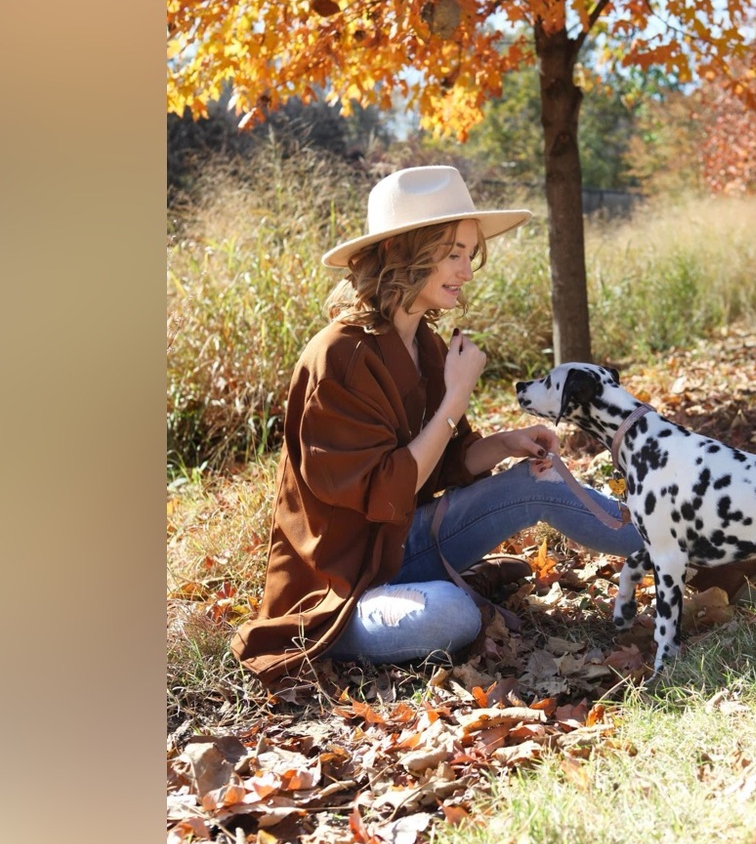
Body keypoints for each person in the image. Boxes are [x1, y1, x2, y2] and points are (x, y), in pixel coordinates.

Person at [231, 165, 643, 686]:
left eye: (470, 254)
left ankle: (690, 544)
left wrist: (506, 443)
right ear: (402, 253)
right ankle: (440, 597)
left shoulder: (422, 342)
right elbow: (390, 490)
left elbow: (445, 461)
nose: (466, 272)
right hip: (341, 590)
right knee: (450, 614)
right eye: (453, 254)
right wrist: (456, 396)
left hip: (402, 546)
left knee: (540, 478)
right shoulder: (339, 357)